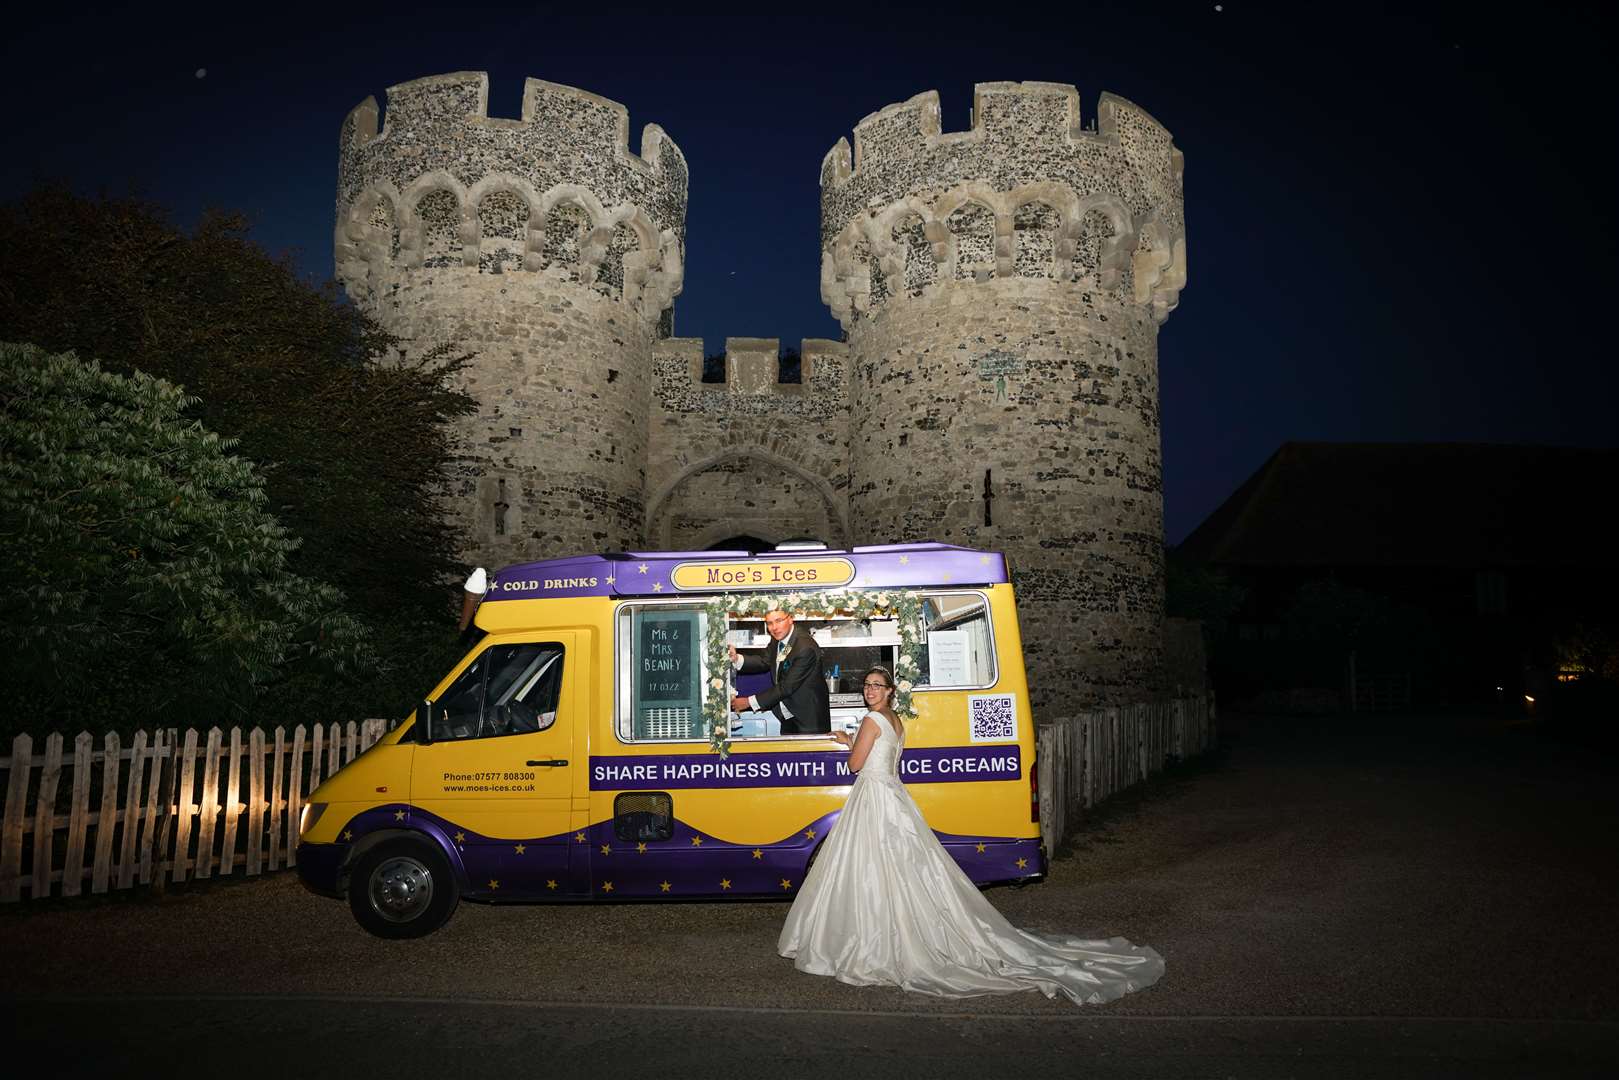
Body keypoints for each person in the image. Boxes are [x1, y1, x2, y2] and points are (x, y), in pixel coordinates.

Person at [778, 666, 1164, 1004]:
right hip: (893, 796)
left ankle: (874, 937)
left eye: (877, 686)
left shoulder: (871, 721)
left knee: (870, 867)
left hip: (875, 798)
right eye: (867, 686)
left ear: (890, 690)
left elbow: (856, 764)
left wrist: (848, 742)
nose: (870, 691)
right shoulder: (895, 721)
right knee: (900, 867)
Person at [728, 608, 831, 735]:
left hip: (808, 719)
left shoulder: (805, 647)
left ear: (791, 618)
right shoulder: (780, 638)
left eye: (778, 621)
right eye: (769, 623)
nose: (774, 628)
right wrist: (736, 658)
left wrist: (748, 702)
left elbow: (786, 687)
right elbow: (764, 661)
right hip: (788, 715)